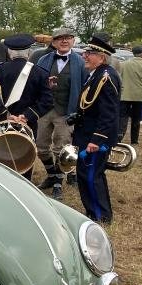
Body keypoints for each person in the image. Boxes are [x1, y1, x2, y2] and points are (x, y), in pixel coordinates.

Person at [0, 33, 53, 180]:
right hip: (27, 124)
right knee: (24, 159)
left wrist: (7, 115)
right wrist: (27, 116)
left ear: (9, 52)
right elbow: (47, 101)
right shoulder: (40, 73)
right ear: (29, 52)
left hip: (1, 122)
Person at [72, 33, 122, 223]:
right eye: (85, 52)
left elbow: (109, 114)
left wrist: (97, 139)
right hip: (86, 133)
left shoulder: (106, 77)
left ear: (101, 57)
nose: (84, 56)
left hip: (94, 137)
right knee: (85, 174)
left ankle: (101, 215)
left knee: (92, 175)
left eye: (89, 53)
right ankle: (92, 211)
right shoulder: (96, 74)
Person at [32, 28, 87, 196]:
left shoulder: (81, 62)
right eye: (60, 38)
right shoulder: (43, 59)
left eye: (68, 38)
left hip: (66, 111)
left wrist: (80, 112)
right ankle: (51, 175)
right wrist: (45, 85)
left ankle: (58, 183)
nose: (64, 41)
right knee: (41, 147)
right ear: (54, 42)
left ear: (73, 41)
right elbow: (35, 83)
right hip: (44, 109)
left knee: (62, 149)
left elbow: (85, 88)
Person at [117, 45, 142, 145]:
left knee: (122, 117)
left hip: (124, 94)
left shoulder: (123, 64)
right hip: (139, 95)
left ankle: (119, 136)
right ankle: (134, 139)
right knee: (136, 118)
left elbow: (118, 79)